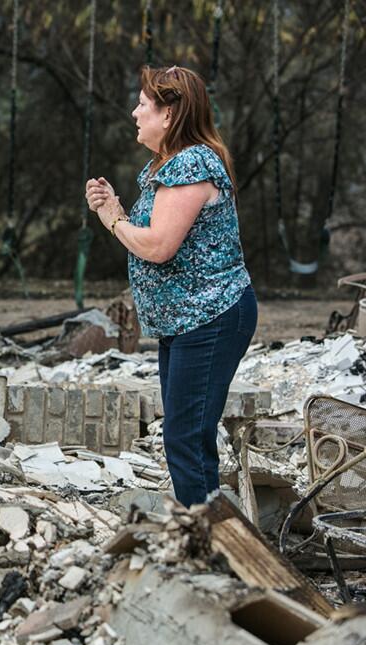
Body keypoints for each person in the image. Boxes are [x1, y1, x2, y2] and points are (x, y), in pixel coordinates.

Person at [84, 65, 257, 507]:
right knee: (187, 435)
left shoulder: (191, 164)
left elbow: (158, 245)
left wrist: (114, 221)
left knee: (186, 437)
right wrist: (118, 210)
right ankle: (207, 533)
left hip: (210, 316)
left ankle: (211, 545)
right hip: (187, 320)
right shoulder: (170, 166)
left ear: (170, 113)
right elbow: (153, 233)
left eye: (143, 104)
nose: (134, 112)